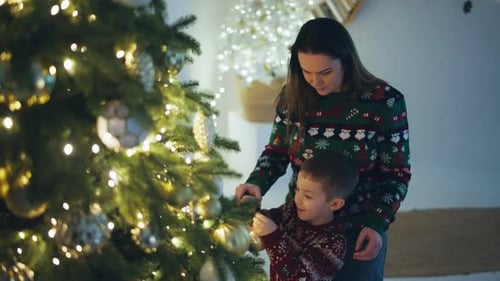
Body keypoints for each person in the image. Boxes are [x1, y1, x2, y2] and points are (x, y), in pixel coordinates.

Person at [235, 17, 411, 281]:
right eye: (307, 72)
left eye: (325, 72)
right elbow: (277, 151)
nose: (315, 81)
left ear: (347, 62)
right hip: (301, 227)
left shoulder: (384, 103)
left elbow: (396, 173)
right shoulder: (292, 96)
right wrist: (256, 183)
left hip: (357, 230)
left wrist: (377, 222)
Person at [252, 150, 359, 281]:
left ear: (335, 204)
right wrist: (250, 208)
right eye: (297, 190)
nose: (298, 199)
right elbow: (263, 219)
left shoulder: (333, 242)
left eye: (308, 196)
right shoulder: (291, 211)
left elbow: (297, 278)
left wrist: (273, 238)